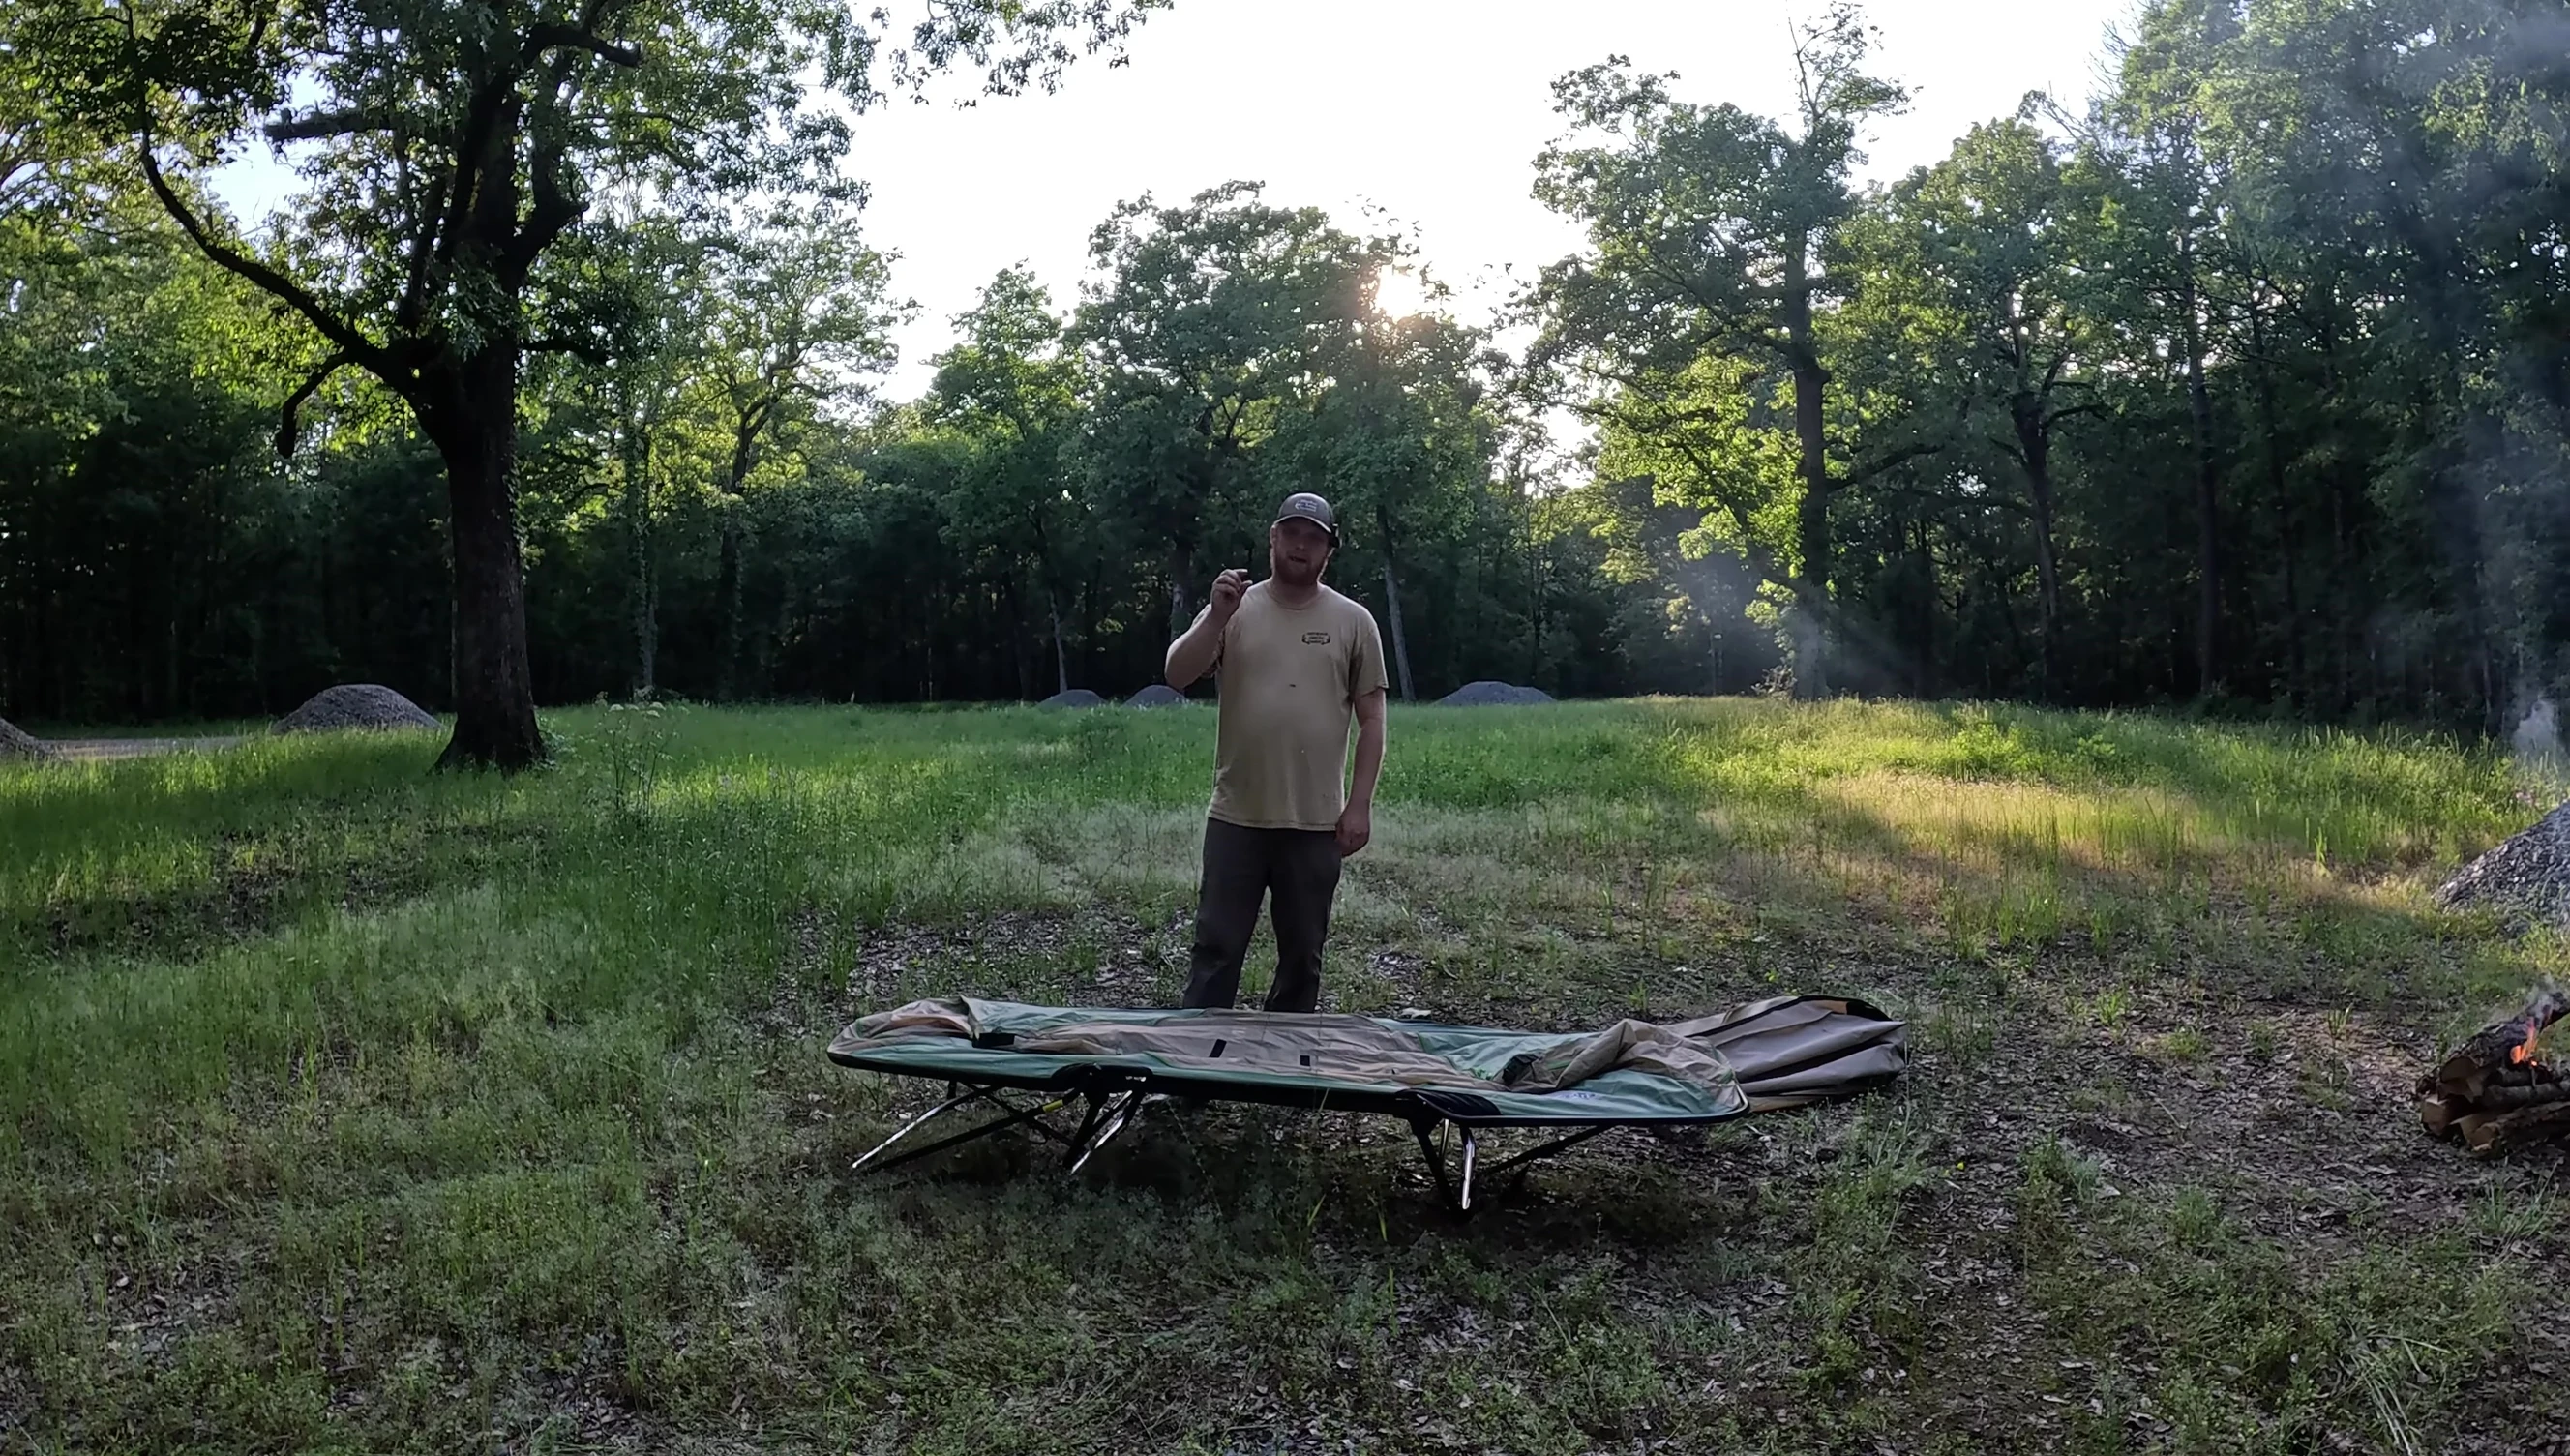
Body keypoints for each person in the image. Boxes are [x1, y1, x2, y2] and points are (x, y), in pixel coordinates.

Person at [1163, 491, 1389, 1013]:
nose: (1301, 546)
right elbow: (1176, 674)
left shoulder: (1354, 621)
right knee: (1215, 950)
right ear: (1273, 538)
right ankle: (1191, 1075)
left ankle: (1287, 1069)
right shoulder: (1235, 607)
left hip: (1315, 825)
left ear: (1328, 552)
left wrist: (1359, 805)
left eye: (1314, 539)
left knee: (1302, 959)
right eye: (1292, 534)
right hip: (1237, 816)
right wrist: (1215, 618)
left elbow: (1373, 719)